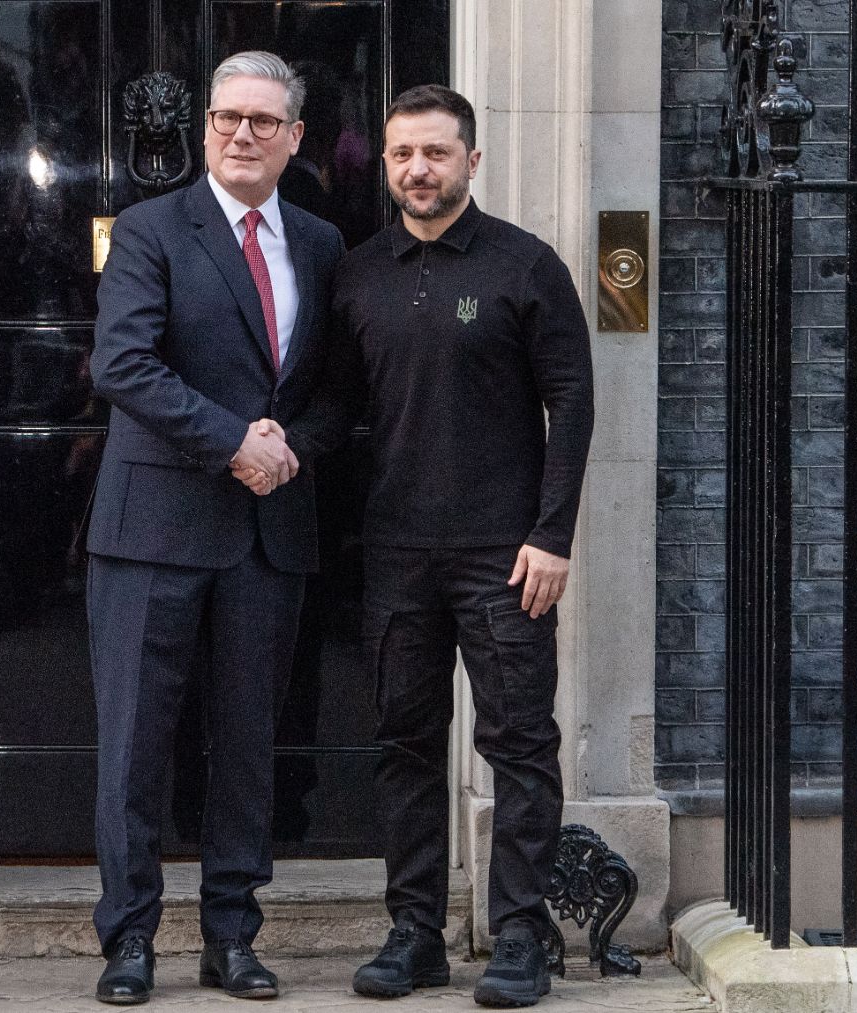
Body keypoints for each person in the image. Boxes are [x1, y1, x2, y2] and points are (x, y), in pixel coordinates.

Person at [287, 84, 594, 1008]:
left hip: (506, 557)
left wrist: (552, 536)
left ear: (470, 160)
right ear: (383, 163)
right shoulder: (359, 271)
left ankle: (520, 934)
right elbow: (339, 403)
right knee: (407, 744)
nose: (418, 169)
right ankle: (415, 930)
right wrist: (282, 449)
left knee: (520, 743)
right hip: (395, 552)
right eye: (401, 155)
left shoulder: (525, 265)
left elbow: (572, 403)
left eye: (436, 153)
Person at [85, 50, 346, 1005]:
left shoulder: (320, 244)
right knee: (135, 747)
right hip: (152, 527)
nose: (243, 134)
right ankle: (129, 938)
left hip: (268, 535)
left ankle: (233, 936)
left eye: (263, 122)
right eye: (228, 118)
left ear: (294, 137)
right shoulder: (151, 229)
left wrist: (288, 449)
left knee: (248, 746)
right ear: (204, 128)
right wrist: (235, 441)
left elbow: (333, 394)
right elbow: (124, 366)